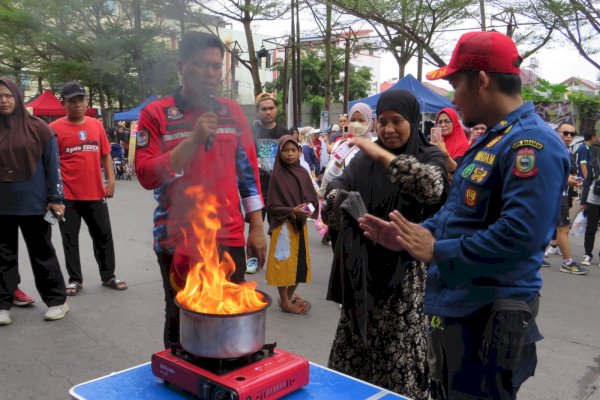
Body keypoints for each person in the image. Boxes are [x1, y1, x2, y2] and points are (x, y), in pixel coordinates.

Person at [359, 31, 570, 399]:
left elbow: (520, 235)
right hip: (460, 308)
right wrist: (409, 237)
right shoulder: (492, 139)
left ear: (483, 81)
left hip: (490, 316)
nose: (453, 98)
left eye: (457, 84)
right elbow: (458, 213)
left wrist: (438, 250)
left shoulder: (532, 146)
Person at [135, 31, 266, 348]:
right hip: (176, 240)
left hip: (229, 235)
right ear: (181, 67)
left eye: (215, 66)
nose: (210, 74)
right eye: (201, 65)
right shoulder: (156, 114)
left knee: (227, 317)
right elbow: (145, 174)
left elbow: (248, 174)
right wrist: (192, 141)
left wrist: (258, 228)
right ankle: (178, 378)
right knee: (182, 317)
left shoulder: (232, 113)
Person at [322, 89, 448, 399]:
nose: (389, 129)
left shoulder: (429, 155)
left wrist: (385, 158)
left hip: (403, 276)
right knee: (351, 358)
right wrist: (342, 201)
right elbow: (334, 193)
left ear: (413, 121)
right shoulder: (364, 159)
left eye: (397, 121)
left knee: (397, 359)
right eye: (383, 122)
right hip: (361, 272)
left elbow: (431, 187)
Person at [0, 77, 69, 325]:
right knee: (3, 256)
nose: (4, 100)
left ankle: (57, 301)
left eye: (8, 95)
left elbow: (53, 166)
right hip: (2, 207)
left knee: (42, 254)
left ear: (17, 98)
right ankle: (2, 304)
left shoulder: (37, 127)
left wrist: (56, 198)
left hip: (35, 204)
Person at [50, 81, 127, 296]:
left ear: (86, 101)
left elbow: (106, 154)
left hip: (95, 193)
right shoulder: (54, 129)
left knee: (103, 235)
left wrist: (111, 181)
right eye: (71, 101)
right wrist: (53, 195)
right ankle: (75, 279)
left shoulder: (96, 125)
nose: (76, 105)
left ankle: (108, 275)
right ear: (63, 103)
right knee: (69, 239)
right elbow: (49, 163)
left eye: (80, 100)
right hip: (68, 196)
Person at [266, 135, 319, 315]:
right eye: (285, 150)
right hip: (283, 226)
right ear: (279, 153)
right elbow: (272, 206)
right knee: (283, 263)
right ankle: (286, 302)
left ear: (299, 152)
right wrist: (291, 210)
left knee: (300, 265)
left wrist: (307, 209)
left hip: (299, 225)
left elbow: (312, 199)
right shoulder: (277, 174)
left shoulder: (303, 173)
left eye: (293, 150)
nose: (290, 154)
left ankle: (287, 297)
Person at [319, 102, 374, 251]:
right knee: (341, 254)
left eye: (361, 120)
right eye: (353, 120)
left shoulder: (375, 145)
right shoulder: (341, 145)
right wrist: (341, 156)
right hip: (342, 206)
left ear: (369, 121)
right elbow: (330, 176)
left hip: (366, 207)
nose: (356, 124)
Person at [547, 122, 587, 274]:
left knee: (556, 228)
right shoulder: (553, 150)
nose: (569, 136)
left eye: (572, 134)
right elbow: (547, 173)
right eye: (565, 133)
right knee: (563, 229)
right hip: (555, 194)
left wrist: (571, 179)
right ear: (557, 133)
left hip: (561, 194)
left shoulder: (564, 150)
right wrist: (567, 180)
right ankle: (567, 262)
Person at [252, 92, 288, 218]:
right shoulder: (250, 132)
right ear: (257, 112)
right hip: (257, 190)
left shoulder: (284, 133)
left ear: (276, 109)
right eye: (264, 109)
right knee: (256, 230)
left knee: (279, 230)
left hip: (279, 189)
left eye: (271, 108)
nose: (268, 112)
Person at [580, 129, 600, 266]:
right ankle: (587, 254)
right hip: (593, 199)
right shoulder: (595, 161)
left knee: (591, 228)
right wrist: (583, 201)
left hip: (593, 199)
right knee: (590, 228)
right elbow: (588, 181)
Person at [431, 107, 470, 174]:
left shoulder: (463, 144)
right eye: (439, 122)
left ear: (454, 123)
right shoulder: (434, 142)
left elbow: (454, 169)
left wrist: (445, 154)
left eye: (447, 121)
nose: (443, 125)